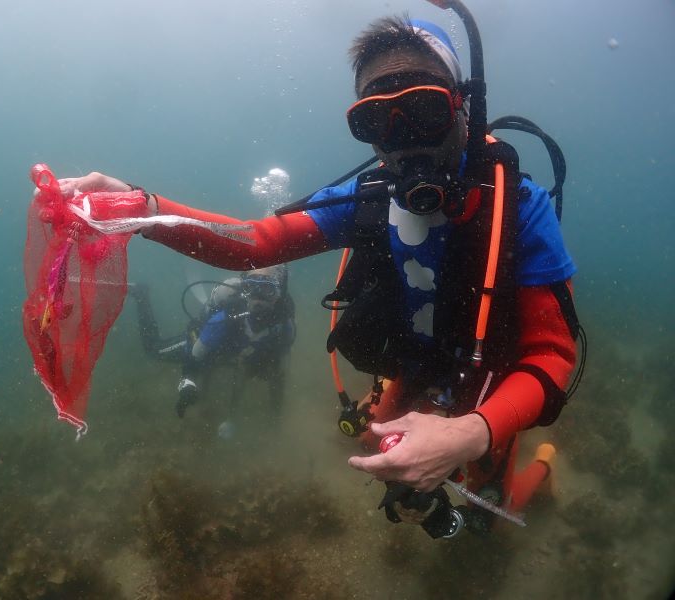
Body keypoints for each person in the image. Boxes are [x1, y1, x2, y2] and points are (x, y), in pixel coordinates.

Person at [50, 9, 579, 535]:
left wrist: (471, 433)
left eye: (423, 110)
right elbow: (252, 244)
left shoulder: (519, 208)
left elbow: (552, 355)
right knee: (379, 444)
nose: (405, 142)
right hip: (416, 361)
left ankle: (545, 468)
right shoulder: (363, 200)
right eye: (377, 122)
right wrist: (142, 206)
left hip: (492, 374)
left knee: (489, 510)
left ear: (463, 106)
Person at [131, 265, 295, 423]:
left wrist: (275, 417)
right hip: (211, 347)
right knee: (154, 350)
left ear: (280, 293)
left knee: (268, 369)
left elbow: (279, 374)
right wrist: (187, 384)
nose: (257, 298)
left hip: (231, 352)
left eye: (267, 289)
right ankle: (141, 295)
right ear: (243, 288)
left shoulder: (282, 326)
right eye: (251, 287)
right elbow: (194, 356)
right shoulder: (227, 317)